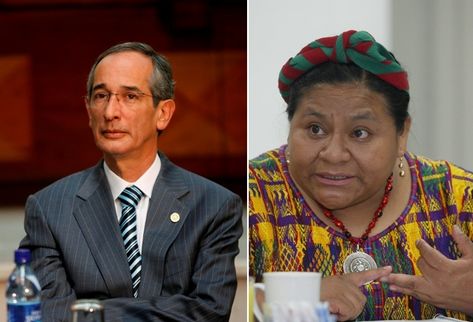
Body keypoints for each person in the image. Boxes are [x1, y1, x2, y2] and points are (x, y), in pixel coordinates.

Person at [249, 30, 473, 321]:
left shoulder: (459, 199)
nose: (334, 153)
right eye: (315, 129)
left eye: (360, 133)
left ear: (401, 133)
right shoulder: (256, 195)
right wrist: (293, 298)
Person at [20, 42, 243, 321]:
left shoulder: (213, 206)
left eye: (130, 97)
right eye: (101, 96)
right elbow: (50, 314)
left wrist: (93, 311)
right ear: (89, 110)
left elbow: (209, 312)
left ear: (163, 113)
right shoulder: (49, 208)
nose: (111, 112)